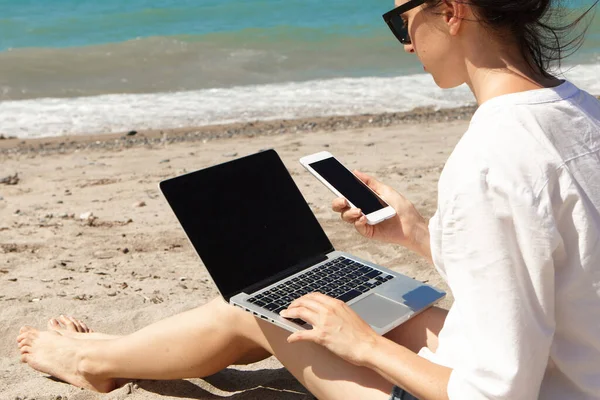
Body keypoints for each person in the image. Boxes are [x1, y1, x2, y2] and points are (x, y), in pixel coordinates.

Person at [16, 0, 600, 398]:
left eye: (401, 22)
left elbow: (492, 395)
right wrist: (418, 234)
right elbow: (554, 272)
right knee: (302, 300)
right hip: (571, 368)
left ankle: (93, 362)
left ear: (451, 12)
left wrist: (363, 345)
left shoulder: (489, 160)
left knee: (262, 307)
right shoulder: (582, 113)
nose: (404, 46)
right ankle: (116, 351)